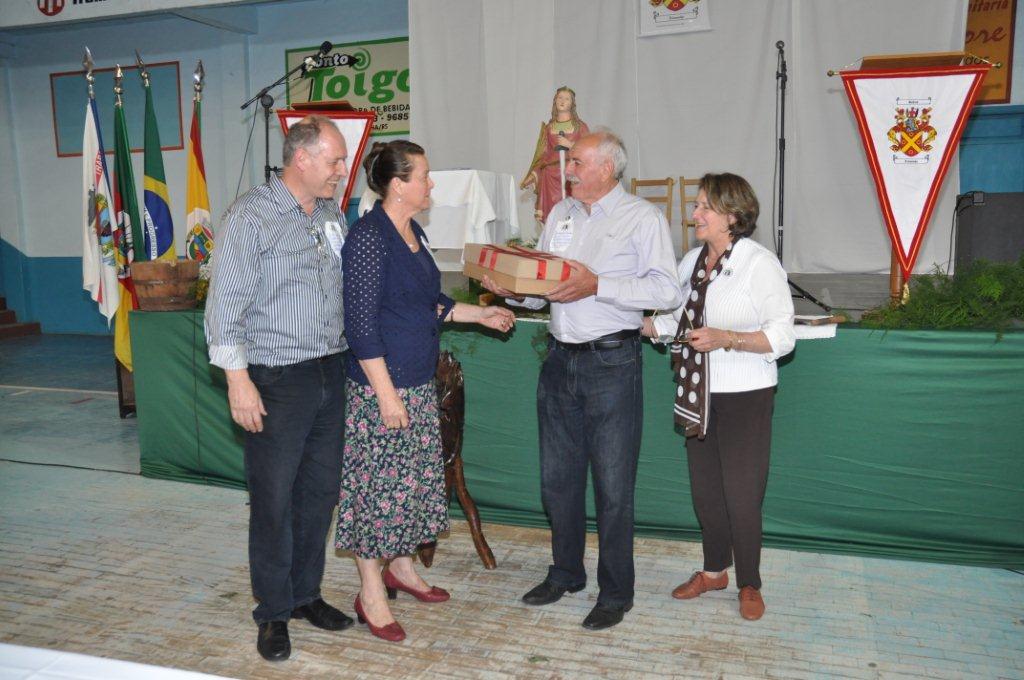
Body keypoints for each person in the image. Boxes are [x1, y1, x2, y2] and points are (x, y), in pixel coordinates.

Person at [484, 130, 682, 630]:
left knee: (613, 486)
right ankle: (566, 573)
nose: (567, 170)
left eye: (577, 162)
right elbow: (543, 289)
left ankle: (616, 593)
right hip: (558, 360)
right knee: (558, 481)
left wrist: (600, 285)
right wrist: (510, 290)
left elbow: (667, 291)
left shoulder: (643, 217)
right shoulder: (560, 214)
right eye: (569, 162)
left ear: (607, 169)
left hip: (611, 363)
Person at [337, 140, 515, 643]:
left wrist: (479, 314)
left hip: (416, 382)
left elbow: (427, 302)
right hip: (382, 388)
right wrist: (386, 394)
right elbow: (360, 325)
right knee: (377, 492)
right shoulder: (368, 238)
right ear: (398, 185)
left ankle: (402, 568)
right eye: (423, 176)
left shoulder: (412, 231)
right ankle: (371, 591)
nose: (430, 183)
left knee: (410, 486)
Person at [204, 115, 354, 661]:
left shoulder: (330, 214)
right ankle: (272, 611)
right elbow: (224, 307)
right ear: (302, 159)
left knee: (319, 492)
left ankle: (305, 594)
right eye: (334, 161)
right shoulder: (251, 217)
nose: (341, 171)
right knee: (272, 499)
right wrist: (238, 382)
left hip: (329, 370)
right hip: (276, 379)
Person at [642, 173, 795, 621]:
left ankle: (750, 582)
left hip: (745, 397)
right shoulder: (691, 261)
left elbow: (783, 336)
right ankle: (714, 572)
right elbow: (673, 322)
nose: (695, 214)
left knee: (742, 495)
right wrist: (632, 324)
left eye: (705, 207)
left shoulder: (759, 263)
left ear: (732, 215)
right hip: (697, 393)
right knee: (706, 493)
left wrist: (728, 338)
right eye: (696, 206)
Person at [521, 86, 590, 224]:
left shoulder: (580, 127)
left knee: (573, 214)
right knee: (553, 217)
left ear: (572, 103)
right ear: (555, 101)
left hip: (572, 175)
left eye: (567, 98)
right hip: (550, 178)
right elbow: (543, 156)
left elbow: (590, 151)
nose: (562, 101)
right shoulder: (549, 128)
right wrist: (533, 175)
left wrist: (570, 145)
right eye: (560, 98)